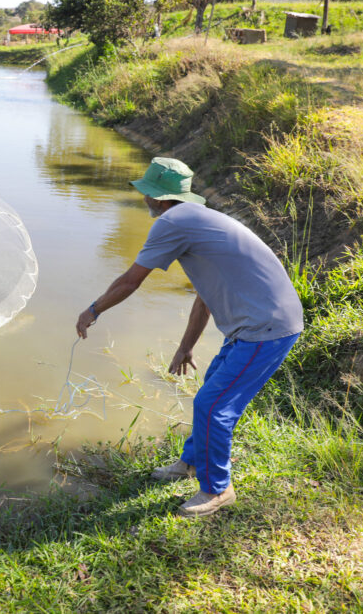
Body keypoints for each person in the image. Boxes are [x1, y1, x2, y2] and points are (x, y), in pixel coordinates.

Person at [75, 157, 303, 518]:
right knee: (211, 393)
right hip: (254, 324)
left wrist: (93, 309)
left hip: (267, 328)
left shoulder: (172, 222)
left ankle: (217, 490)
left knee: (213, 405)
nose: (144, 199)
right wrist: (186, 346)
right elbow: (205, 295)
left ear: (158, 198)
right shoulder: (197, 221)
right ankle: (191, 463)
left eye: (147, 194)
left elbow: (131, 280)